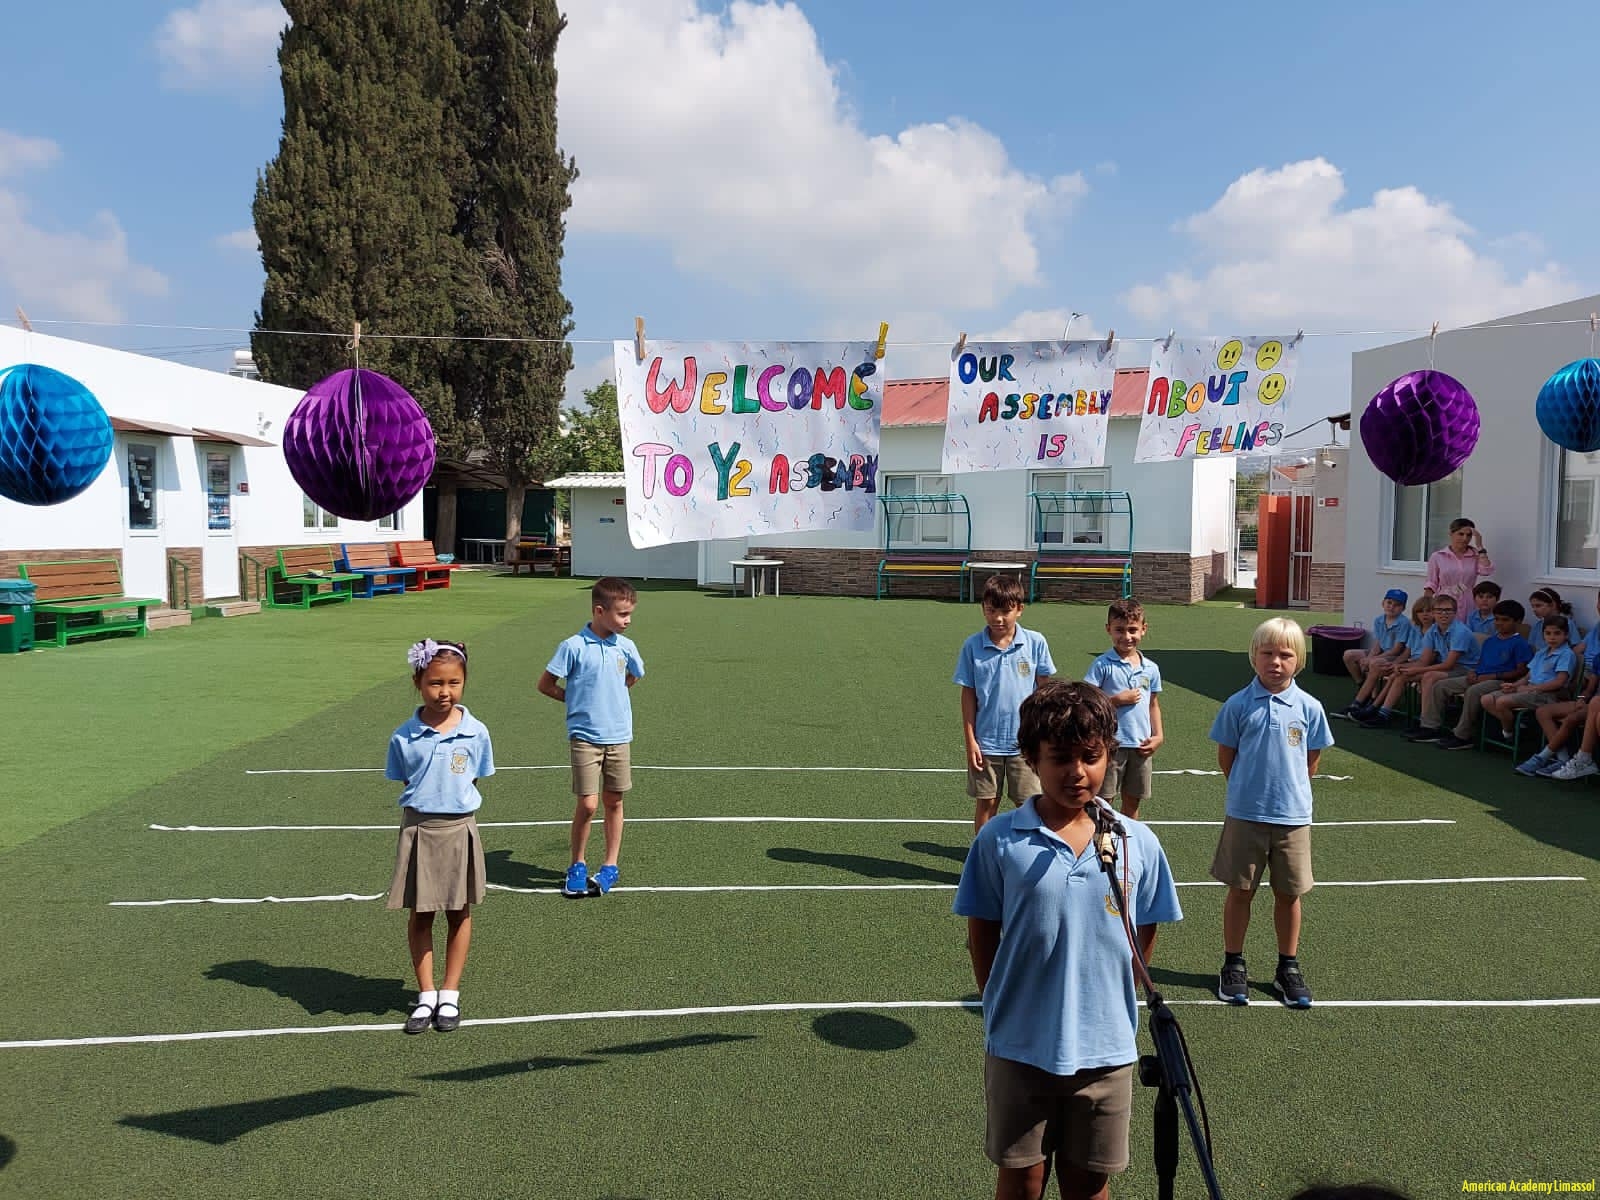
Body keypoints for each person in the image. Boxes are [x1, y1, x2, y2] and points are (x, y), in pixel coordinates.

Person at [954, 680, 1182, 1200]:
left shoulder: (1137, 842)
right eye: (1059, 758)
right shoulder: (999, 839)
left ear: (1109, 755)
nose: (1076, 771)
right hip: (1020, 1045)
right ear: (1032, 758)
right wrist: (998, 1001)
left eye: (1090, 757)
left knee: (1089, 1182)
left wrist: (1117, 993)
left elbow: (1144, 929)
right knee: (1022, 1178)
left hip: (1106, 1049)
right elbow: (982, 930)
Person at [1209, 618, 1333, 1008]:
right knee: (1240, 891)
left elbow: (1311, 761)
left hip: (1293, 818)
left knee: (1289, 894)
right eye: (1267, 653)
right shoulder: (1237, 705)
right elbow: (1227, 757)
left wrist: (1287, 794)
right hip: (1246, 814)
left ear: (1299, 660)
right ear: (1254, 656)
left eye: (1285, 654)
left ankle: (1287, 967)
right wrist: (1249, 792)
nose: (1275, 662)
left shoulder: (1310, 708)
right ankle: (1233, 963)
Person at [386, 639, 495, 1035]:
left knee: (459, 911)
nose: (444, 692)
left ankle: (450, 992)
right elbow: (407, 780)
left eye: (453, 682)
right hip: (419, 829)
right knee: (421, 914)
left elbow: (474, 777)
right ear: (418, 682)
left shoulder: (476, 732)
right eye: (435, 683)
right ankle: (426, 994)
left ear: (464, 682)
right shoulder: (403, 737)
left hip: (459, 828)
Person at [538, 577, 645, 898]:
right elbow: (546, 684)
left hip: (619, 736)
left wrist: (614, 695)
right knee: (588, 804)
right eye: (622, 614)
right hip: (585, 737)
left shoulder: (626, 646)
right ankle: (577, 864)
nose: (628, 621)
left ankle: (610, 865)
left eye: (630, 614)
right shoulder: (572, 646)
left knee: (614, 800)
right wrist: (576, 701)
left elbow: (635, 675)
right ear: (599, 611)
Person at [954, 574, 1056, 833]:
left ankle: (1026, 852)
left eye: (1005, 611)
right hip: (986, 743)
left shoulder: (1035, 643)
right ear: (983, 609)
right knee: (987, 803)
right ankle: (984, 853)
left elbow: (1045, 692)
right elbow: (968, 695)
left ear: (1019, 609)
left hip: (1025, 743)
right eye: (991, 610)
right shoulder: (972, 646)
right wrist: (971, 741)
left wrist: (1043, 735)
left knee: (1029, 804)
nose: (998, 618)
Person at [1083, 598, 1163, 821]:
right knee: (1103, 800)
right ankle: (1100, 838)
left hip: (1140, 745)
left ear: (1143, 629)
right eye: (1119, 630)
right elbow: (1087, 702)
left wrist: (1158, 735)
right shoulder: (1102, 665)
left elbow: (1153, 704)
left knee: (1133, 800)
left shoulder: (1151, 669)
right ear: (1108, 629)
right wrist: (1115, 700)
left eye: (1132, 630)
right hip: (1110, 745)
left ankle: (1129, 839)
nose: (1126, 636)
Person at [1358, 593, 1478, 730]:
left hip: (1465, 669)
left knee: (1429, 676)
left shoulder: (1460, 632)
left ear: (1455, 612)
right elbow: (1423, 661)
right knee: (1402, 674)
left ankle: (1426, 723)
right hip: (1447, 667)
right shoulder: (1433, 630)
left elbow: (1448, 664)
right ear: (1434, 612)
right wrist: (1404, 667)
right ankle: (1383, 714)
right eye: (1439, 610)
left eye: (1448, 610)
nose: (1443, 614)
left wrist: (1415, 669)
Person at [1431, 600, 1533, 750]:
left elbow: (1521, 671)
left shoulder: (1520, 644)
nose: (1499, 623)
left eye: (1505, 620)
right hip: (1480, 676)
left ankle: (1463, 735)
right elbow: (1481, 663)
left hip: (1501, 681)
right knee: (1440, 685)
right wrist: (1473, 672)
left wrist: (1494, 676)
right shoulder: (1490, 641)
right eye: (1497, 619)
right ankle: (1432, 727)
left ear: (1517, 621)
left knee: (1473, 692)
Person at [1479, 616, 1573, 764]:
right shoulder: (1542, 652)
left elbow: (1559, 682)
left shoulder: (1566, 654)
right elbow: (1528, 676)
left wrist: (1532, 688)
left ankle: (1509, 735)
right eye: (1548, 633)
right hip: (1529, 690)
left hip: (1547, 694)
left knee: (1502, 702)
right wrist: (1515, 686)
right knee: (1486, 699)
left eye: (1557, 633)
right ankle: (1513, 730)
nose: (1552, 637)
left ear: (1566, 635)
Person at [1522, 630, 1600, 774]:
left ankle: (1542, 757)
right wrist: (1581, 699)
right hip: (1591, 702)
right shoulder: (1598, 659)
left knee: (1572, 718)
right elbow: (1589, 689)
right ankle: (1562, 759)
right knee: (1543, 711)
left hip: (1596, 706)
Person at [1341, 596, 1430, 720]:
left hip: (1413, 662)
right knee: (1367, 662)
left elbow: (1401, 651)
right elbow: (1405, 652)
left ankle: (1375, 707)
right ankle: (1360, 702)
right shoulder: (1415, 628)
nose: (1424, 614)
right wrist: (1378, 659)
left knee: (1385, 669)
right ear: (1383, 603)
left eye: (1429, 611)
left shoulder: (1427, 630)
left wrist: (1395, 663)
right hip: (1406, 660)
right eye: (1420, 611)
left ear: (1403, 608)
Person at [1341, 588, 1409, 688]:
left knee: (1373, 662)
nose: (1392, 607)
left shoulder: (1404, 622)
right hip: (1382, 652)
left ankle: (1370, 691)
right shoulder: (1379, 620)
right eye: (1389, 603)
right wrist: (1368, 657)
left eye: (1397, 605)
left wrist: (1372, 659)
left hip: (1395, 656)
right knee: (1349, 655)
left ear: (1403, 608)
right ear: (1383, 603)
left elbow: (1396, 650)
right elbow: (1377, 645)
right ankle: (1361, 684)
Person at [1422, 517, 1493, 611]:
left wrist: (1480, 547)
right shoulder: (1438, 556)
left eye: (1469, 535)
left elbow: (1486, 571)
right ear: (1451, 534)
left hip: (1468, 602)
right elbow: (1431, 583)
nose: (1465, 538)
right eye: (1461, 534)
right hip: (1445, 602)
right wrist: (1426, 605)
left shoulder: (1475, 555)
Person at [1528, 587, 1589, 653]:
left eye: (1538, 606)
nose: (1534, 610)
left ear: (1553, 604)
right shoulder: (1537, 625)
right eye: (1533, 606)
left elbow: (1575, 647)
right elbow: (1531, 648)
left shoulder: (1567, 623)